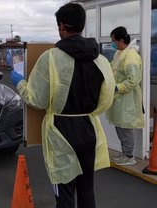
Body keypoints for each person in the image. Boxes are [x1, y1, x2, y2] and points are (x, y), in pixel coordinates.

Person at [11, 3, 115, 208]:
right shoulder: (100, 59)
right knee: (87, 189)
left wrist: (20, 83)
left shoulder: (50, 58)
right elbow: (107, 96)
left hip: (61, 131)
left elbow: (37, 99)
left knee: (64, 192)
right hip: (89, 127)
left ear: (61, 26)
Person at [106, 26, 145, 166]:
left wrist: (117, 87)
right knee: (119, 126)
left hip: (127, 98)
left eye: (113, 40)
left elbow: (133, 80)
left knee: (125, 128)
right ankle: (124, 152)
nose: (112, 43)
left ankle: (129, 156)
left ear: (121, 40)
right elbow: (113, 68)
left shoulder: (131, 56)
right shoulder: (120, 53)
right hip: (119, 99)